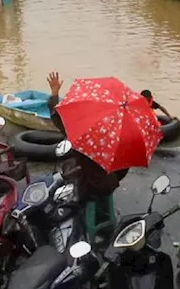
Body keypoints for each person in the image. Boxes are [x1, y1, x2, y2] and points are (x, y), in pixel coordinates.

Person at [47, 71, 127, 237]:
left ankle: (82, 223)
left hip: (89, 188)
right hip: (110, 183)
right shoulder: (119, 137)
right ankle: (105, 217)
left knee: (74, 178)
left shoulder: (84, 136)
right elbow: (123, 168)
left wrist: (54, 94)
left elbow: (58, 118)